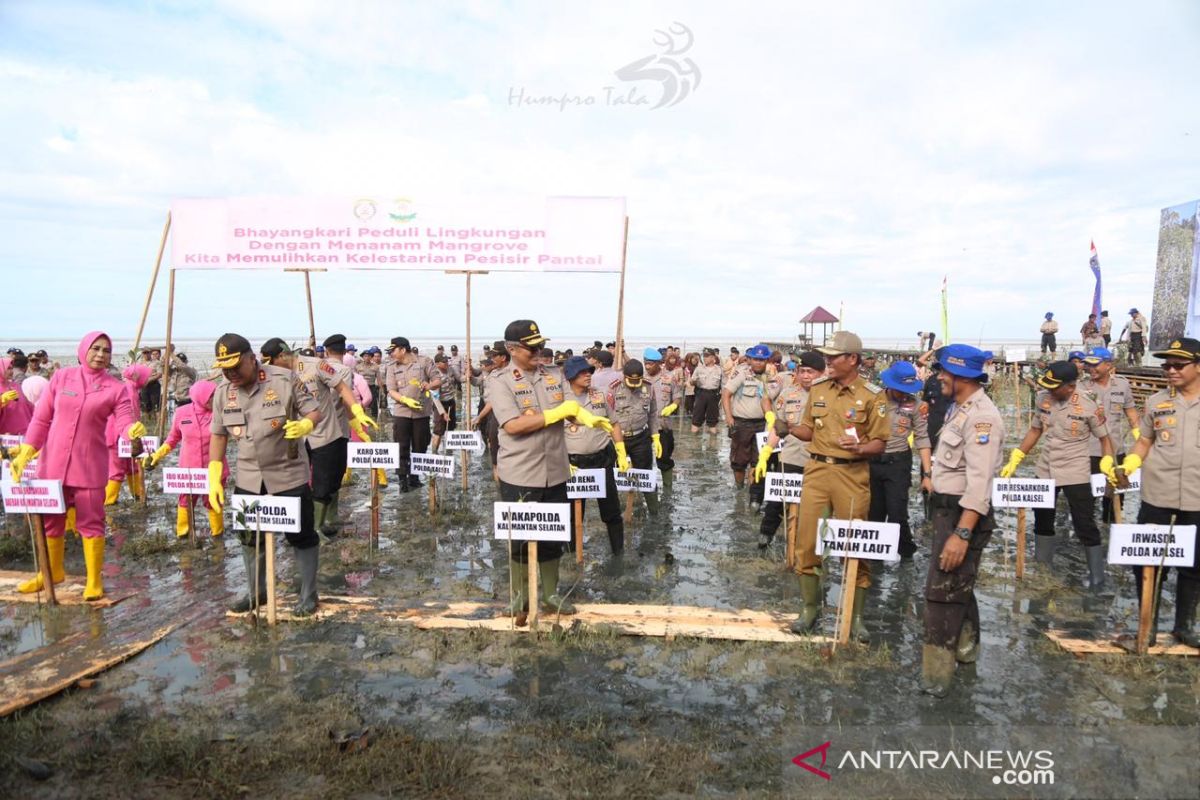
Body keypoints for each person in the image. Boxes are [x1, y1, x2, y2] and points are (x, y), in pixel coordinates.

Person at [490, 320, 611, 621]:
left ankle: (550, 594)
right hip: (519, 472)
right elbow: (513, 425)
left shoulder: (554, 375)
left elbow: (574, 407)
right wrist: (557, 413)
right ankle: (519, 596)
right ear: (512, 349)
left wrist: (588, 417)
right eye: (531, 347)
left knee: (553, 535)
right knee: (519, 536)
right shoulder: (500, 380)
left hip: (557, 469)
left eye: (540, 345)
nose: (538, 351)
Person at [10, 332, 144, 600]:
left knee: (92, 522)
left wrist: (131, 431)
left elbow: (124, 420)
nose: (100, 354)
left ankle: (94, 580)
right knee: (51, 521)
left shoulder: (115, 388)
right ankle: (52, 572)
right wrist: (28, 449)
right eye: (96, 348)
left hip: (90, 466)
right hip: (52, 464)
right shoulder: (62, 377)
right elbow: (42, 417)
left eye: (106, 350)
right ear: (84, 349)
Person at [207, 333, 324, 615]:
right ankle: (256, 592)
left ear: (252, 358)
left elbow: (313, 411)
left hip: (288, 474)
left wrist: (306, 426)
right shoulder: (223, 391)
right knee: (249, 537)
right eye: (225, 368)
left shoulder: (283, 380)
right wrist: (214, 473)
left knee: (301, 535)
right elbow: (218, 435)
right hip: (248, 476)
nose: (230, 373)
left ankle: (309, 594)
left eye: (236, 366)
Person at [790, 331, 889, 640]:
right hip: (817, 472)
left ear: (853, 359)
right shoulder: (818, 390)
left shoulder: (873, 396)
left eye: (833, 357)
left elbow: (880, 443)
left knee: (853, 546)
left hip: (852, 476)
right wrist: (788, 427)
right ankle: (810, 609)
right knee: (806, 542)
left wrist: (860, 448)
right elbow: (808, 430)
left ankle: (855, 616)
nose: (827, 361)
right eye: (827, 356)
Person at [920, 344, 1005, 698]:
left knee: (941, 593)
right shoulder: (959, 408)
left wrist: (962, 533)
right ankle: (967, 651)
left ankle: (936, 677)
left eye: (944, 372)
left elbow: (980, 482)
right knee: (959, 585)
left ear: (962, 377)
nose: (939, 377)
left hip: (963, 513)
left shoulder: (981, 417)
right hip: (948, 509)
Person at [1114, 337, 1200, 646]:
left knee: (1194, 564)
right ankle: (1146, 629)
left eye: (1179, 365)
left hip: (1197, 498)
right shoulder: (1156, 402)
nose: (1171, 370)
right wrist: (1130, 465)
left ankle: (1184, 626)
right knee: (1148, 561)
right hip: (1157, 494)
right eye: (1166, 365)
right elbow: (1145, 441)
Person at [1000, 361, 1115, 589]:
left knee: (1085, 524)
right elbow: (1035, 430)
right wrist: (1017, 456)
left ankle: (1096, 576)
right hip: (1045, 469)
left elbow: (1104, 438)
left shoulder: (1089, 403)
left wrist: (1107, 461)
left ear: (1071, 386)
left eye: (1055, 386)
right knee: (1042, 520)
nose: (1051, 390)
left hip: (1076, 471)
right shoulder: (1044, 398)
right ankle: (1044, 569)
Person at [262, 335, 377, 539]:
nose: (268, 367)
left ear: (281, 355)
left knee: (327, 480)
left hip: (324, 434)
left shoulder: (317, 366)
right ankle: (311, 528)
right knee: (299, 483)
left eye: (270, 361)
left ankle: (322, 525)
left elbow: (342, 387)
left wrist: (358, 412)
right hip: (294, 436)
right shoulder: (272, 375)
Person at [754, 351, 823, 551]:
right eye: (802, 371)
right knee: (775, 504)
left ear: (821, 372)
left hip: (817, 461)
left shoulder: (830, 396)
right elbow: (779, 427)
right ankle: (764, 539)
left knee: (813, 509)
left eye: (810, 372)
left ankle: (808, 548)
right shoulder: (787, 394)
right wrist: (766, 452)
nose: (806, 376)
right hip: (791, 457)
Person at [563, 355, 627, 555]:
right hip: (573, 465)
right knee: (573, 515)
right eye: (582, 373)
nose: (588, 376)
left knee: (612, 512)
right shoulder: (560, 400)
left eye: (589, 371)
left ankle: (618, 552)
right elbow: (550, 432)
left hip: (602, 460)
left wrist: (621, 451)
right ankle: (572, 555)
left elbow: (614, 423)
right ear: (571, 376)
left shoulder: (599, 395)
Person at [868, 361, 932, 559]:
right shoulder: (873, 400)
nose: (904, 394)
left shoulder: (917, 406)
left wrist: (927, 474)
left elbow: (922, 438)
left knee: (897, 514)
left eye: (907, 390)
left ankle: (906, 554)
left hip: (898, 463)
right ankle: (873, 558)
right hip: (872, 461)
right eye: (899, 390)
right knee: (874, 513)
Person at [150, 380, 227, 538]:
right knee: (186, 500)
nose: (215, 399)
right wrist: (158, 453)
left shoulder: (220, 413)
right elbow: (173, 437)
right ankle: (183, 533)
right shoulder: (182, 413)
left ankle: (217, 534)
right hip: (189, 470)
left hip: (213, 469)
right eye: (210, 396)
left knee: (214, 501)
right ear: (200, 397)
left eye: (216, 395)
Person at [1082, 348, 1139, 522]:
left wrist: (1140, 439)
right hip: (1089, 453)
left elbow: (1131, 414)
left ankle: (1110, 534)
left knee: (1114, 500)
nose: (1090, 368)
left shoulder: (1122, 385)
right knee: (1086, 502)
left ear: (1109, 365)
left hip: (1116, 452)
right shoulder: (1080, 387)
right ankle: (1090, 542)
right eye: (1088, 364)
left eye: (1095, 364)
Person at [721, 343, 778, 507]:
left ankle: (752, 493)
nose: (758, 363)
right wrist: (729, 417)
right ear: (750, 359)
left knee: (758, 461)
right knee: (739, 462)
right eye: (755, 359)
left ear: (767, 360)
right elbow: (726, 394)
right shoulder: (741, 372)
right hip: (741, 423)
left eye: (762, 360)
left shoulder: (771, 375)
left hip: (762, 425)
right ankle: (739, 490)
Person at [384, 336, 441, 493]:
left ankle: (415, 478)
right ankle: (403, 479)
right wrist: (404, 400)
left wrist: (429, 385)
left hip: (421, 413)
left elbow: (438, 380)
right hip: (402, 412)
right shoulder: (391, 367)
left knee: (420, 445)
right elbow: (391, 390)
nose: (390, 354)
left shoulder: (424, 362)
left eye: (392, 351)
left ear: (403, 349)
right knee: (401, 447)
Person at [607, 358, 662, 516]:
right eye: (631, 380)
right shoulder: (613, 389)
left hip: (641, 437)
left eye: (637, 380)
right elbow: (607, 417)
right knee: (615, 476)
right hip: (618, 439)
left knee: (646, 476)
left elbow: (652, 414)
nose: (635, 383)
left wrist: (656, 436)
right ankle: (617, 511)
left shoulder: (648, 387)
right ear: (624, 377)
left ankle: (654, 511)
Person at [105, 364, 151, 505]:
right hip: (119, 436)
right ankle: (109, 501)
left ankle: (137, 493)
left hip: (123, 435)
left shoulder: (129, 387)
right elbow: (128, 415)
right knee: (117, 469)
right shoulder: (129, 389)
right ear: (138, 376)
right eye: (145, 376)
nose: (147, 379)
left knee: (132, 465)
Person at [643, 347, 680, 484]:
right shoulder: (641, 379)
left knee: (664, 458)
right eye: (645, 363)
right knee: (642, 459)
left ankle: (668, 488)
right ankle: (645, 488)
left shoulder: (669, 378)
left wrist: (673, 406)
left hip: (662, 425)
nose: (647, 367)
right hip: (644, 426)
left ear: (659, 363)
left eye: (650, 364)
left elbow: (677, 397)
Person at [689, 348, 723, 432]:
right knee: (696, 420)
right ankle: (694, 442)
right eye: (704, 356)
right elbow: (692, 382)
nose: (704, 358)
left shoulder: (719, 370)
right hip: (701, 394)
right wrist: (692, 382)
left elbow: (723, 385)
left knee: (713, 422)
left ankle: (713, 444)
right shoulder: (699, 369)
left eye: (707, 356)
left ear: (713, 357)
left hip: (714, 395)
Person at [0, 355, 34, 434]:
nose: (11, 371)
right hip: (5, 434)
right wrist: (1, 400)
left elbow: (27, 405)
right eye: (8, 368)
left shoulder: (15, 385)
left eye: (12, 368)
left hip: (24, 431)